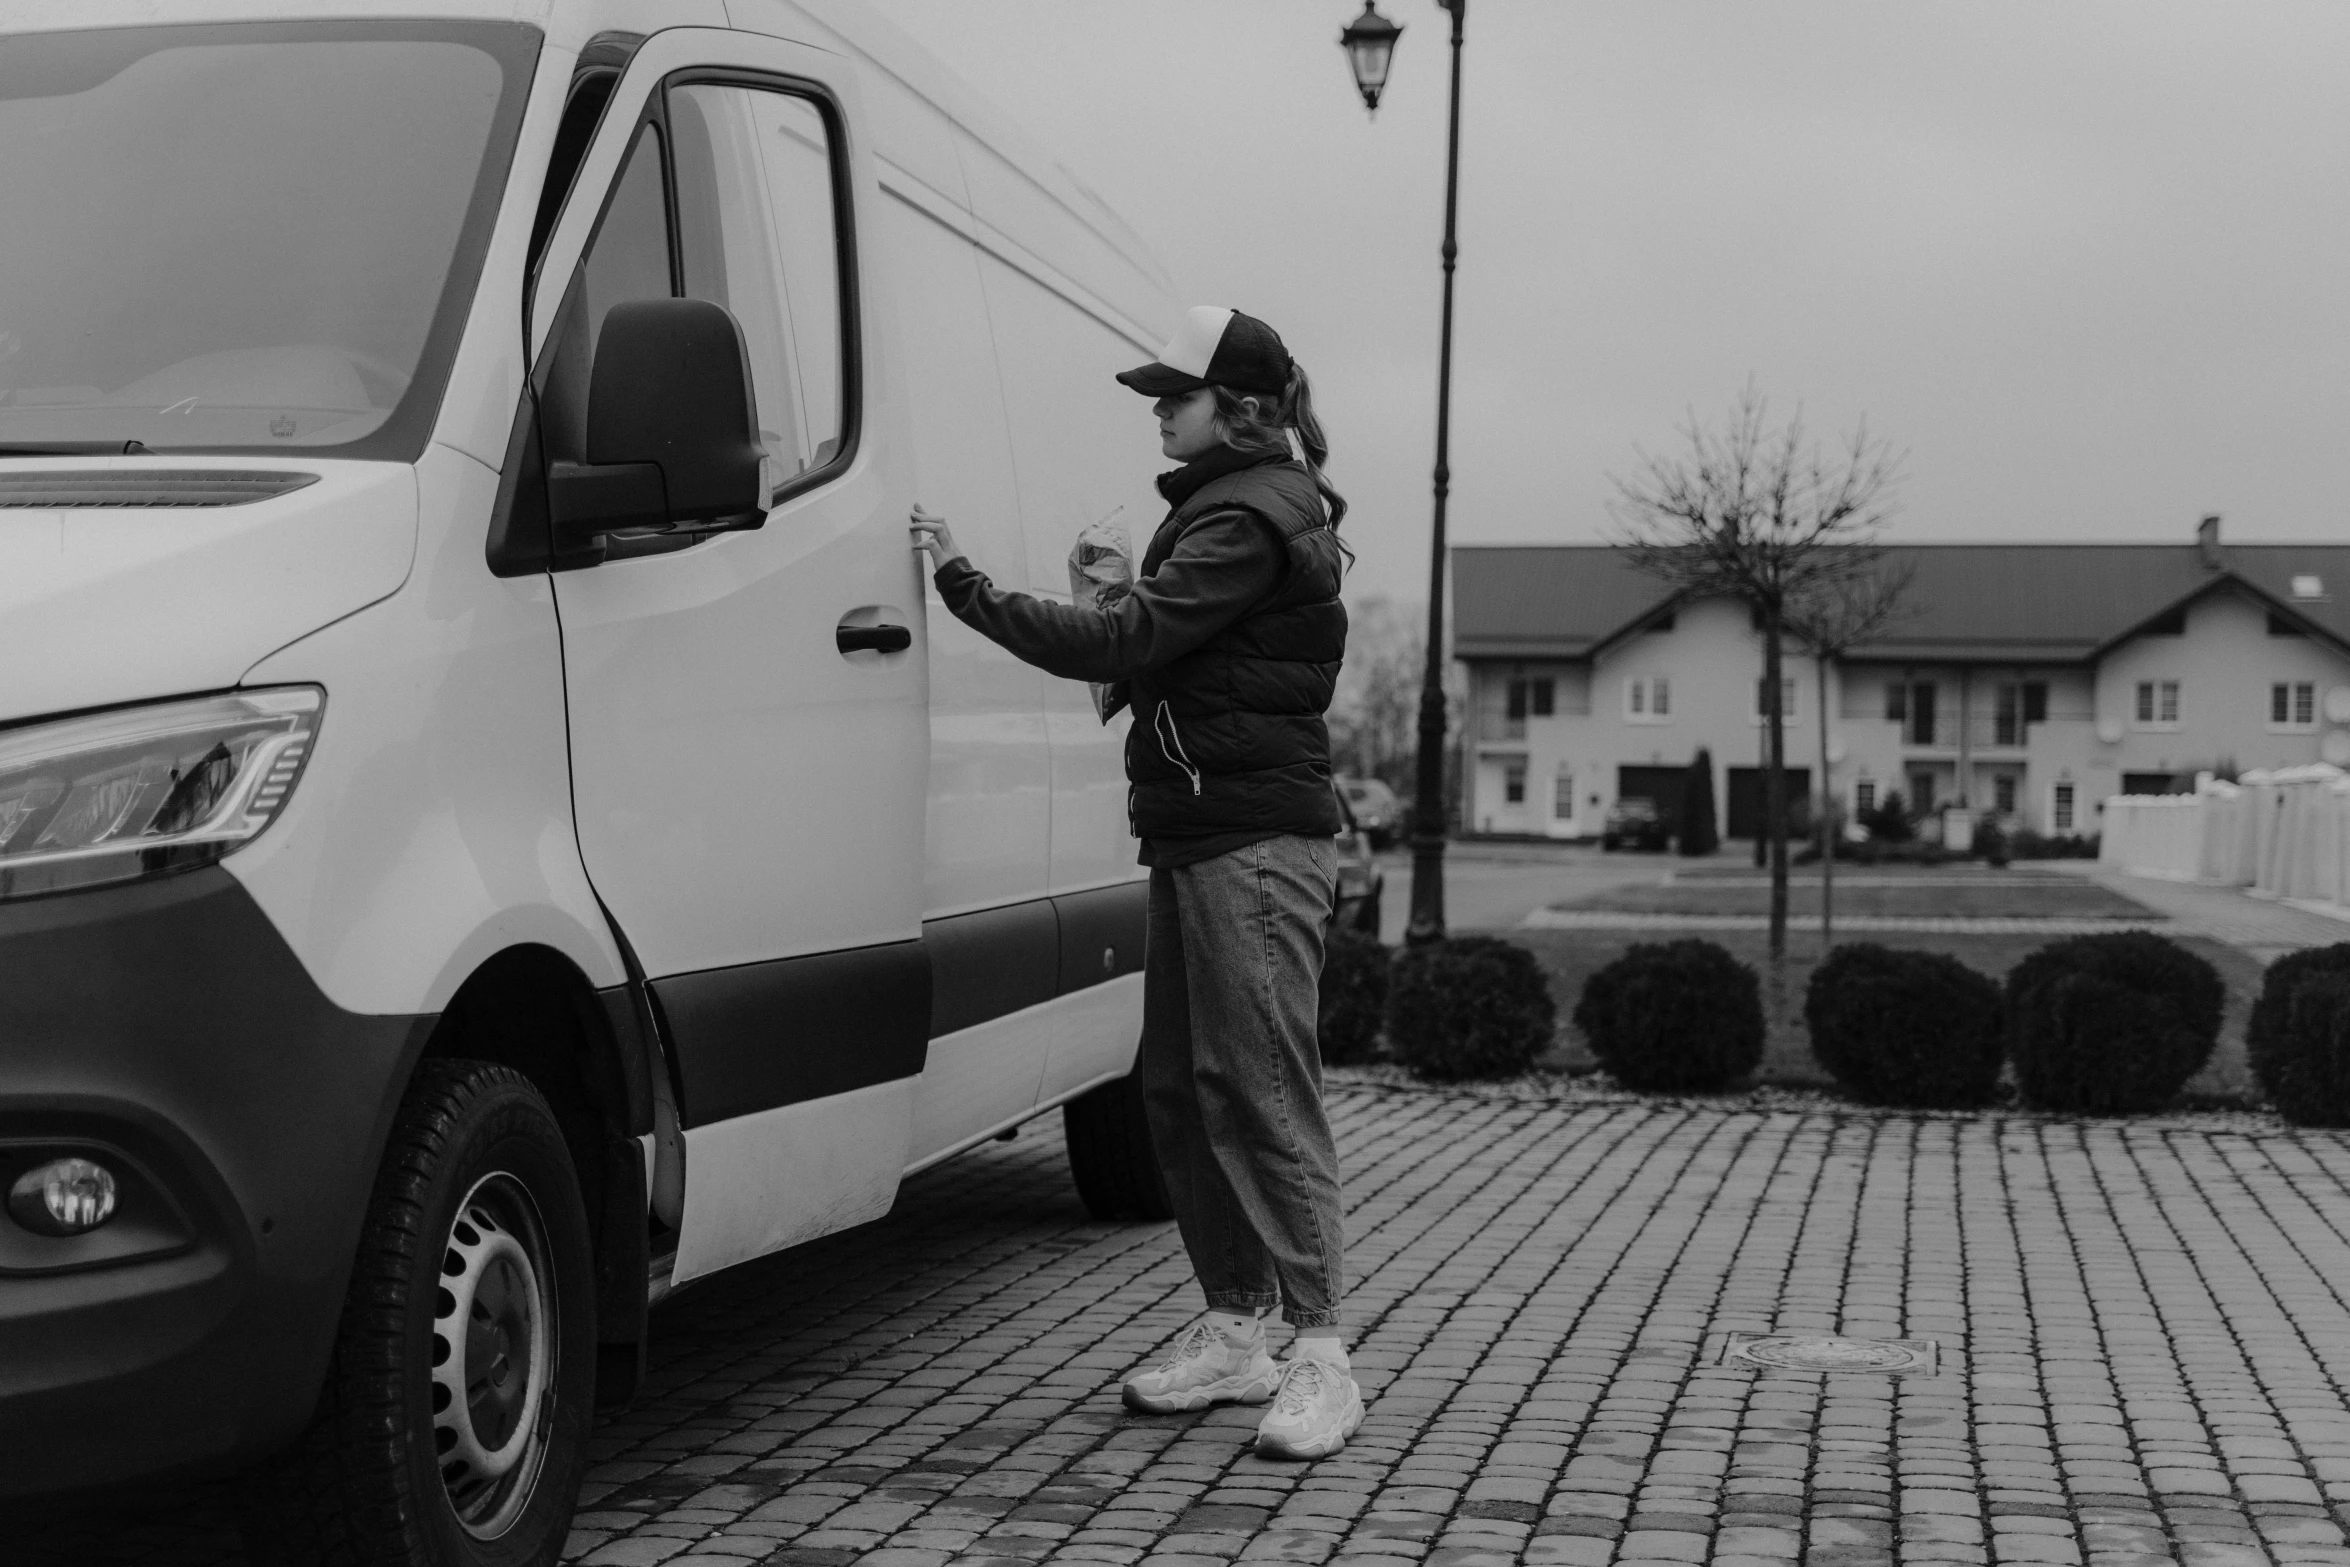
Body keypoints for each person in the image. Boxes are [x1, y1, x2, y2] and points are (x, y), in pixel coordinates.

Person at [908, 306, 1359, 1460]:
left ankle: (1320, 1353)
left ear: (1240, 408)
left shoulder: (1250, 515)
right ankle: (1236, 1328)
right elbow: (1156, 660)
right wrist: (1117, 598)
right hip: (1196, 832)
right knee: (1178, 1087)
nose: (1158, 407)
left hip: (1254, 842)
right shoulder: (1221, 510)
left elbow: (1124, 646)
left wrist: (965, 582)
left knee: (1256, 1088)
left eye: (1176, 393)